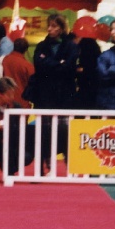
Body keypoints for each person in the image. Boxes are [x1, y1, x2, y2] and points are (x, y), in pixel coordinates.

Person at [28, 13, 78, 174]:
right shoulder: (41, 46)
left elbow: (69, 67)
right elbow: (39, 64)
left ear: (62, 28)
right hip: (45, 97)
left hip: (64, 97)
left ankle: (70, 165)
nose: (50, 29)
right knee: (44, 132)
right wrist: (59, 64)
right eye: (49, 25)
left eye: (54, 26)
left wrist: (51, 64)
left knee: (65, 131)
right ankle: (45, 166)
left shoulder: (71, 46)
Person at [1, 38, 34, 109]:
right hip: (22, 102)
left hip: (4, 100)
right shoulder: (28, 66)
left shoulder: (4, 60)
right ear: (25, 50)